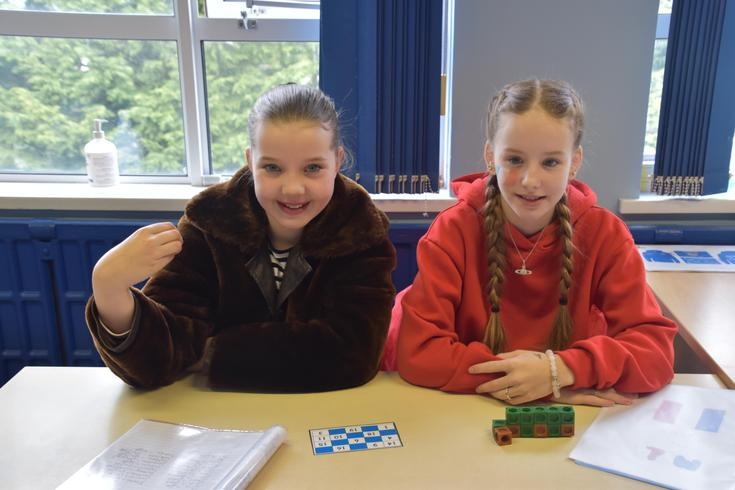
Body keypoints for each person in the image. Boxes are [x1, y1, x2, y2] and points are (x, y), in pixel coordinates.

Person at [86, 84, 396, 392]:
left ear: (337, 161)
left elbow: (354, 353)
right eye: (272, 167)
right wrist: (109, 288)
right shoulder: (208, 223)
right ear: (250, 161)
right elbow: (160, 358)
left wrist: (212, 353)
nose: (292, 188)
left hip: (324, 412)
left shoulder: (361, 231)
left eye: (312, 168)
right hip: (220, 415)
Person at [389, 79, 676, 406]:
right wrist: (541, 384)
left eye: (550, 162)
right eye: (514, 160)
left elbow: (655, 352)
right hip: (470, 410)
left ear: (574, 162)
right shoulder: (453, 231)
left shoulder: (605, 235)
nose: (530, 180)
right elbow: (418, 352)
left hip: (564, 419)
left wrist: (561, 371)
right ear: (490, 156)